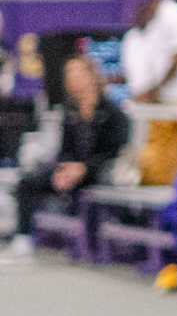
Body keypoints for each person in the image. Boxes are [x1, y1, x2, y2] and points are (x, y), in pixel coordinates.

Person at [10, 57, 131, 253]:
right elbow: (65, 150)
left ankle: (94, 243)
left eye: (78, 73)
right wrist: (63, 169)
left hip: (100, 172)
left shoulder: (113, 113)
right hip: (72, 172)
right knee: (27, 182)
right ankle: (23, 235)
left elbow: (114, 153)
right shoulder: (69, 111)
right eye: (69, 74)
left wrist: (83, 169)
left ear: (92, 76)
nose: (73, 79)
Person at [121, 0, 177, 187]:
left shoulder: (175, 15)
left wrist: (152, 92)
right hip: (164, 104)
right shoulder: (148, 28)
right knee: (157, 163)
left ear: (150, 5)